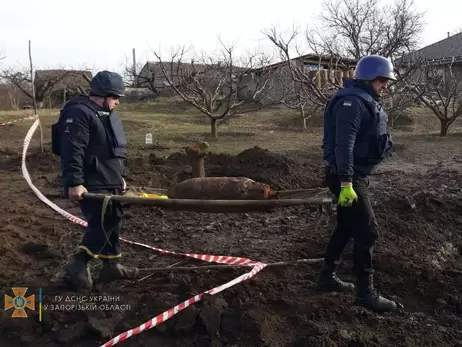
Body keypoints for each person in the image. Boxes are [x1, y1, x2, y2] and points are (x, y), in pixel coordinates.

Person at [317, 55, 397, 313]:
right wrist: (346, 182)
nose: (385, 85)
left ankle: (326, 277)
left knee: (347, 226)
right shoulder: (351, 103)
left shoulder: (364, 100)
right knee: (367, 230)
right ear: (369, 77)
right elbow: (344, 145)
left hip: (352, 175)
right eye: (382, 80)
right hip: (346, 177)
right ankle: (366, 294)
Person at [51, 70, 139, 290]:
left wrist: (119, 178)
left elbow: (111, 150)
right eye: (115, 97)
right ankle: (78, 264)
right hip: (92, 182)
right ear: (103, 95)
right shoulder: (79, 113)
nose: (118, 102)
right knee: (102, 224)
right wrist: (74, 182)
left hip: (110, 180)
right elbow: (72, 150)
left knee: (113, 221)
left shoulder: (105, 113)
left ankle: (112, 266)